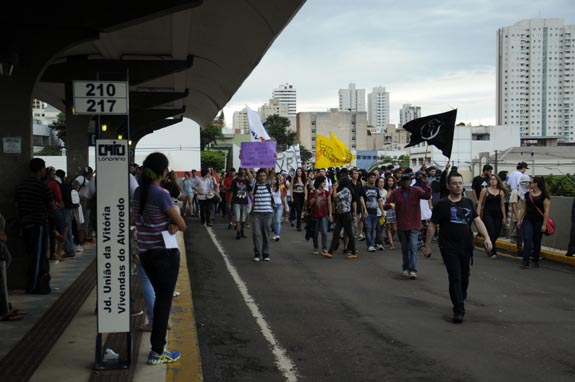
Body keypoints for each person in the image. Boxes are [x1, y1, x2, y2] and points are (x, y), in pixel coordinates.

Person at [132, 152, 186, 365]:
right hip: (164, 255)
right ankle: (157, 351)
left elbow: (136, 219)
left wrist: (165, 222)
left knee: (159, 297)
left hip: (145, 253)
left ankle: (157, 349)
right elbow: (182, 225)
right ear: (164, 172)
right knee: (164, 302)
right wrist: (170, 222)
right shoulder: (160, 193)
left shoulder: (138, 192)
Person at [424, 172, 492, 324]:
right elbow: (432, 225)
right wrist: (427, 246)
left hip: (466, 245)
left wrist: (487, 237)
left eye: (460, 183)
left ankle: (460, 296)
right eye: (454, 183)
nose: (458, 186)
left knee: (464, 277)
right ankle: (458, 309)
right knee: (455, 276)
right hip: (448, 246)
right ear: (448, 186)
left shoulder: (468, 203)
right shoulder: (441, 204)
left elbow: (477, 221)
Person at [15, 158, 52, 294]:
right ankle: (34, 286)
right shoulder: (42, 186)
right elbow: (51, 206)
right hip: (39, 224)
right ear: (41, 169)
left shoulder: (21, 185)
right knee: (38, 256)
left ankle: (33, 283)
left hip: (25, 223)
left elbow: (17, 204)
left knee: (30, 254)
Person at [384, 173, 431, 279]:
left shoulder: (416, 190)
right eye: (404, 180)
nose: (406, 182)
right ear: (400, 181)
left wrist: (426, 185)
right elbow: (385, 205)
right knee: (405, 249)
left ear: (410, 181)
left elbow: (427, 196)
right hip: (401, 225)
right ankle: (405, 267)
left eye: (407, 180)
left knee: (413, 247)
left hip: (414, 225)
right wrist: (389, 205)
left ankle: (413, 270)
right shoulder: (396, 192)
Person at [517, 176, 551, 269]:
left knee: (537, 240)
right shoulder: (527, 195)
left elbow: (546, 212)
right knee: (527, 239)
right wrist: (519, 220)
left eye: (531, 182)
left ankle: (536, 259)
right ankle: (525, 261)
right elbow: (523, 208)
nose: (529, 184)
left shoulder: (544, 196)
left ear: (536, 184)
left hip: (539, 221)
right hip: (528, 220)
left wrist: (544, 225)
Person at [325, 176, 357, 259]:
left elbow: (335, 196)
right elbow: (335, 199)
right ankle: (330, 252)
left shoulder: (346, 190)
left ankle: (353, 252)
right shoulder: (343, 190)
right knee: (336, 233)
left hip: (346, 214)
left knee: (350, 234)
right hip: (340, 214)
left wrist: (335, 188)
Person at [476, 174, 507, 259]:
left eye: (494, 179)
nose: (493, 181)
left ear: (497, 181)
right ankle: (492, 251)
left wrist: (504, 216)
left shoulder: (501, 192)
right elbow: (480, 203)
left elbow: (502, 205)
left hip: (498, 214)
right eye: (491, 179)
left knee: (496, 233)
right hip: (487, 214)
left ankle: (487, 243)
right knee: (491, 231)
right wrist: (478, 214)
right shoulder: (485, 191)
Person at [250, 169, 275, 261]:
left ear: (266, 176)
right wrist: (242, 159)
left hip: (268, 213)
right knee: (256, 234)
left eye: (264, 175)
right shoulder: (254, 184)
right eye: (260, 176)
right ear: (257, 177)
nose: (262, 177)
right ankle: (257, 253)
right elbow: (248, 172)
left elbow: (272, 173)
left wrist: (274, 160)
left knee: (266, 234)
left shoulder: (269, 184)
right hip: (257, 213)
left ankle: (266, 253)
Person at [360, 172, 384, 252]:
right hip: (367, 212)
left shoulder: (376, 189)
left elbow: (379, 200)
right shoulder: (364, 188)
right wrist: (364, 210)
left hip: (375, 212)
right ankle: (370, 245)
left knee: (372, 229)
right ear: (368, 178)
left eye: (374, 177)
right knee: (368, 228)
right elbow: (361, 199)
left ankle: (372, 244)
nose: (373, 179)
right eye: (371, 177)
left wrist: (382, 211)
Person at [308, 175, 332, 255]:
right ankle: (315, 247)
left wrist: (330, 214)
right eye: (323, 182)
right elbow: (310, 203)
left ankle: (324, 248)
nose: (325, 183)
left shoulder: (326, 193)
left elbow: (329, 204)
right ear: (319, 183)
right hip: (315, 215)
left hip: (324, 215)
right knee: (315, 232)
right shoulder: (313, 192)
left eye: (325, 182)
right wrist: (315, 196)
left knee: (324, 231)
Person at [510, 174, 530, 257]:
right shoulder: (516, 192)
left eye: (527, 182)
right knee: (519, 235)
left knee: (527, 234)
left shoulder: (529, 192)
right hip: (518, 216)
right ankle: (519, 250)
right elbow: (514, 205)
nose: (525, 184)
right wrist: (518, 218)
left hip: (527, 216)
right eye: (523, 182)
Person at [232, 168, 253, 239]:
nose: (242, 171)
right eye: (241, 170)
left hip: (244, 202)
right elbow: (232, 192)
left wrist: (253, 201)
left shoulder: (246, 181)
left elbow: (250, 192)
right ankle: (238, 233)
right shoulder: (234, 181)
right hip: (236, 201)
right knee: (237, 218)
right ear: (239, 171)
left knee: (243, 218)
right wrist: (229, 202)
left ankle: (242, 232)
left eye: (244, 170)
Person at [271, 174, 288, 241]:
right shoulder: (269, 187)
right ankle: (275, 234)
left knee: (277, 220)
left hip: (279, 205)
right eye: (273, 179)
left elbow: (283, 197)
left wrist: (285, 206)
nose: (274, 181)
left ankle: (277, 235)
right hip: (272, 206)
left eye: (275, 179)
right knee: (273, 221)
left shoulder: (280, 186)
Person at [290, 167, 307, 232]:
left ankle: (298, 225)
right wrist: (291, 197)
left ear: (302, 172)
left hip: (302, 195)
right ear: (296, 172)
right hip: (295, 194)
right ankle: (298, 226)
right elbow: (291, 188)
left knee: (300, 210)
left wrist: (306, 195)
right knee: (298, 210)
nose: (299, 172)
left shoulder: (304, 179)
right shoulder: (293, 178)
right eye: (298, 171)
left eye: (300, 171)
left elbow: (305, 187)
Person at [383, 175, 397, 249]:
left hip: (394, 209)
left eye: (392, 181)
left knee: (394, 228)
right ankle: (391, 243)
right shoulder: (384, 190)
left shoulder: (396, 190)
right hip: (386, 209)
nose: (390, 182)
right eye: (389, 181)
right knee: (388, 226)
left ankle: (388, 238)